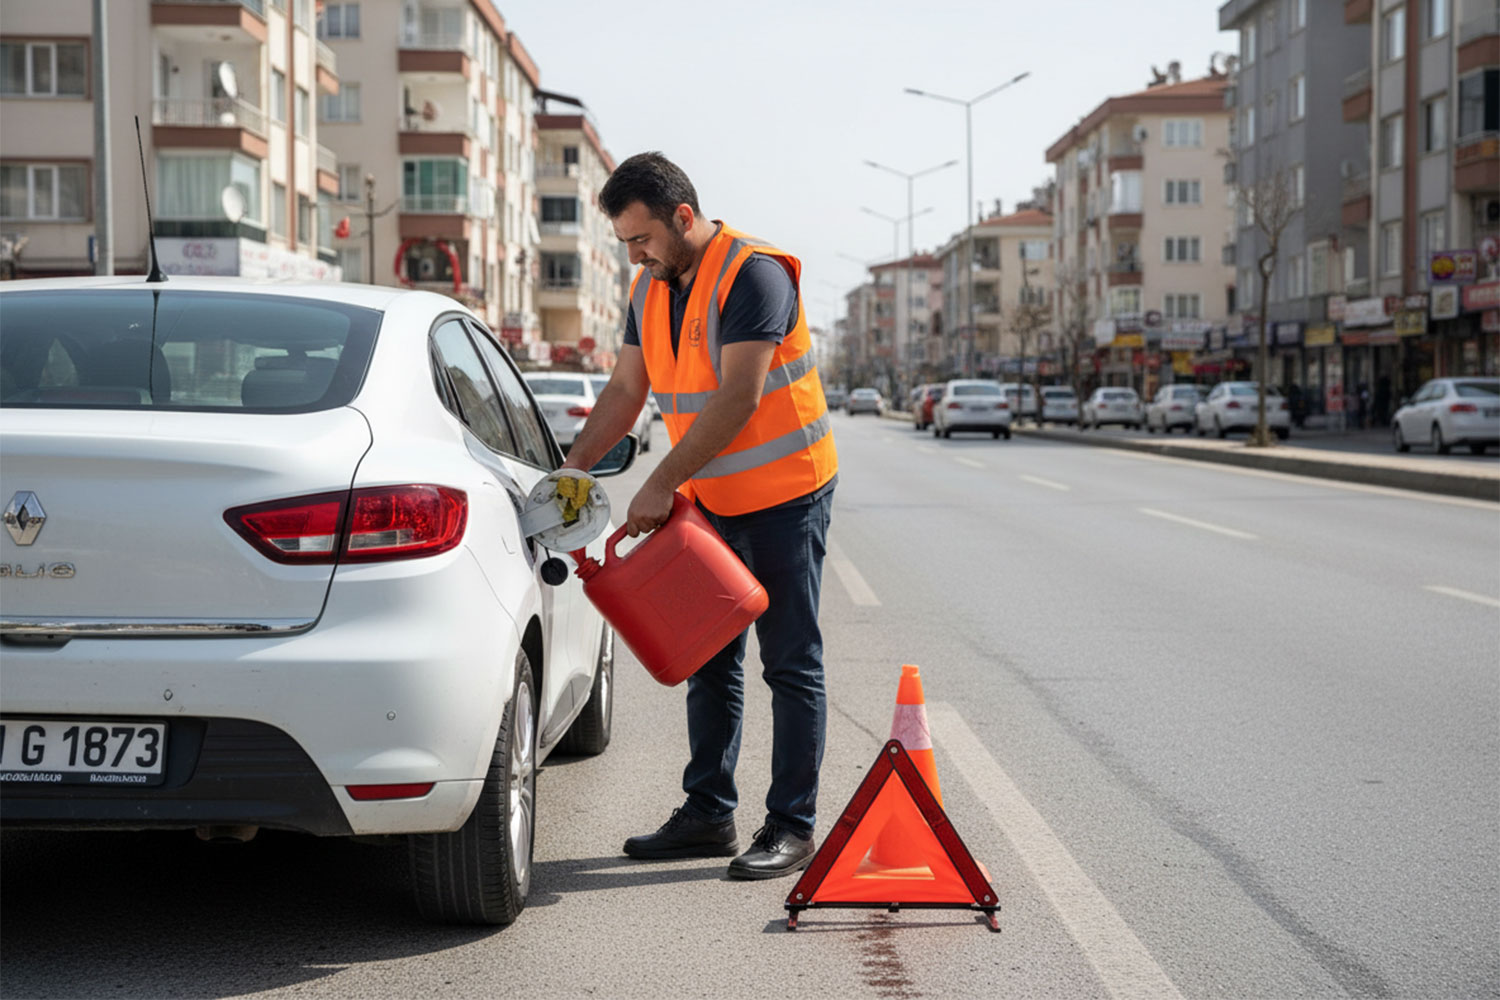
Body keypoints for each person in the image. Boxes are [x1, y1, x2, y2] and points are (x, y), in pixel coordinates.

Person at [560, 152, 838, 880]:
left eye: (642, 238)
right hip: (710, 502)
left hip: (786, 496)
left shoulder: (756, 274)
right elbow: (626, 390)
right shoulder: (648, 287)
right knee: (709, 660)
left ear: (684, 218)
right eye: (624, 241)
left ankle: (792, 826)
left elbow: (740, 396)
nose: (634, 253)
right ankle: (710, 813)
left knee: (790, 663)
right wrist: (572, 470)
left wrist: (660, 482)